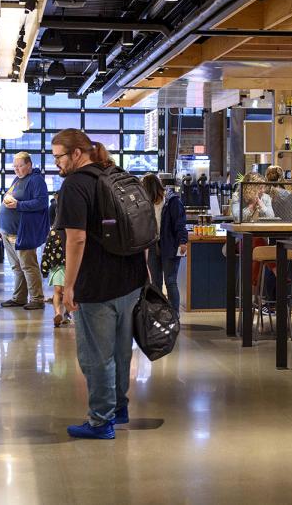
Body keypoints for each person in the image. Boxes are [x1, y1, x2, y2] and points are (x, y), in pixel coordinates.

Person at [53, 129, 148, 440]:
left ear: (77, 154)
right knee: (122, 351)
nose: (57, 164)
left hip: (96, 284)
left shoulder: (75, 185)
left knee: (96, 355)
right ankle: (119, 408)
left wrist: (68, 286)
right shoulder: (117, 174)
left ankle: (100, 421)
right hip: (131, 280)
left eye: (59, 157)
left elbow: (76, 238)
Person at [0, 152, 50, 310]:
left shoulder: (36, 180)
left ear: (29, 165)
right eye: (15, 166)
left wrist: (19, 205)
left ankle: (37, 299)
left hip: (23, 232)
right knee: (17, 268)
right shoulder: (18, 179)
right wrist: (2, 227)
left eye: (20, 166)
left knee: (28, 266)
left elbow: (41, 202)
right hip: (8, 232)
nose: (17, 169)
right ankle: (19, 297)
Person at [142, 173, 187, 317]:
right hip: (152, 246)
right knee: (155, 283)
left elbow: (180, 224)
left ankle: (174, 314)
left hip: (170, 246)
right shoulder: (148, 203)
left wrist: (182, 242)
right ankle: (158, 313)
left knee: (170, 281)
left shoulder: (172, 201)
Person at [43, 194, 70, 328]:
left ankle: (57, 312)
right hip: (70, 266)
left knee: (57, 291)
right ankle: (67, 315)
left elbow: (47, 251)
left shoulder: (53, 232)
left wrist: (45, 268)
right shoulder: (73, 231)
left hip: (57, 266)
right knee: (68, 291)